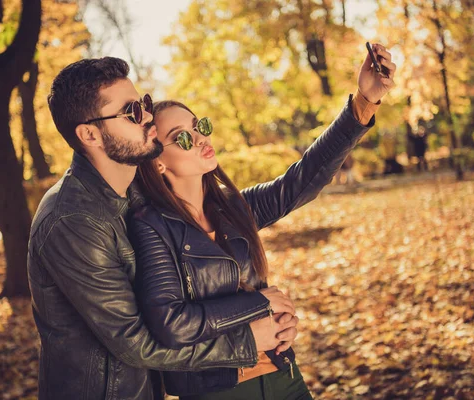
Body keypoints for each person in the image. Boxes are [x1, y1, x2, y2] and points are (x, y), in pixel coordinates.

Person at [128, 44, 396, 399]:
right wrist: (261, 304)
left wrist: (364, 100)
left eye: (199, 126)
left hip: (284, 377)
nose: (200, 139)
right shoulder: (151, 226)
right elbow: (171, 323)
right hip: (221, 392)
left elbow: (303, 179)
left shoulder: (234, 208)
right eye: (181, 137)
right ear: (157, 162)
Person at [27, 57, 299, 400]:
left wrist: (360, 109)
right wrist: (248, 338)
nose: (147, 118)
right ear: (90, 134)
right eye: (131, 112)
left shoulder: (135, 194)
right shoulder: (72, 221)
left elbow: (274, 196)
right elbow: (135, 342)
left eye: (143, 104)